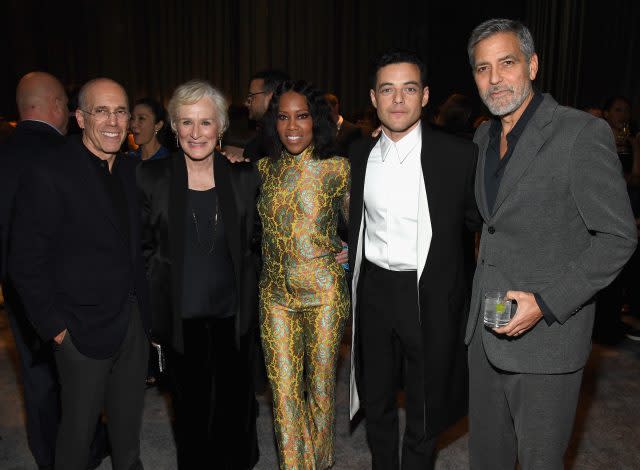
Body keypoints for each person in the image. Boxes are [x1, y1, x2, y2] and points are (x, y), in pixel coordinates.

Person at [465, 19, 637, 470]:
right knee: (487, 459)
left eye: (507, 62)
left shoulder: (580, 134)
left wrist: (545, 303)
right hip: (484, 332)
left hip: (547, 341)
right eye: (483, 68)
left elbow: (619, 237)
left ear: (533, 65)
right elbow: (494, 227)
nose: (495, 78)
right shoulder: (483, 137)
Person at [9, 78, 151, 470]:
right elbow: (24, 259)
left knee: (127, 432)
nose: (112, 121)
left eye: (120, 111)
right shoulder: (50, 171)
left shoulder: (130, 170)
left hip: (132, 324)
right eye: (100, 111)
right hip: (79, 329)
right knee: (77, 434)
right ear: (79, 117)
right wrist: (55, 327)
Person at [347, 50, 480, 470]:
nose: (398, 99)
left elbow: (479, 223)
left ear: (424, 96)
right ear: (373, 98)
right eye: (388, 89)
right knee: (377, 396)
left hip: (429, 291)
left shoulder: (458, 156)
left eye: (408, 89)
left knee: (425, 402)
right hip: (374, 290)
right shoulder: (357, 155)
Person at [137, 80, 260, 469]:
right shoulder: (150, 179)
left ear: (220, 127)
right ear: (173, 126)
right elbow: (140, 249)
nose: (195, 133)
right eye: (186, 122)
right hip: (179, 316)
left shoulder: (243, 179)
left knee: (234, 407)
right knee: (190, 413)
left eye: (205, 123)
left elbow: (258, 245)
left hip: (232, 315)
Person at [0, 71, 108, 470]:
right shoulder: (67, 155)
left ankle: (48, 457)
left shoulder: (4, 155)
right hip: (68, 289)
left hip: (16, 288)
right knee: (80, 375)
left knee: (36, 376)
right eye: (66, 102)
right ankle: (85, 449)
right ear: (57, 106)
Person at [258, 80, 350, 469]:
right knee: (282, 394)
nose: (292, 126)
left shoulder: (337, 169)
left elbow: (364, 227)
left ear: (316, 121)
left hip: (325, 292)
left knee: (321, 391)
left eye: (301, 116)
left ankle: (321, 463)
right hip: (275, 296)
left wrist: (349, 255)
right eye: (283, 117)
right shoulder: (262, 170)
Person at [224, 69, 289, 161]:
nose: (246, 103)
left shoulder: (287, 139)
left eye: (251, 96)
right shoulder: (257, 143)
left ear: (270, 98)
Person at [129, 97, 170, 161]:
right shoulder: (129, 159)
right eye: (132, 118)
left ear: (158, 125)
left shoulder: (168, 161)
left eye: (141, 118)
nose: (133, 125)